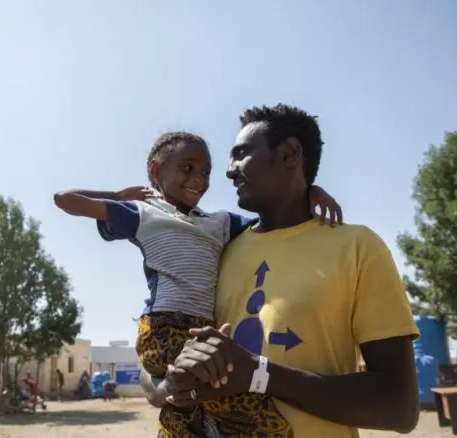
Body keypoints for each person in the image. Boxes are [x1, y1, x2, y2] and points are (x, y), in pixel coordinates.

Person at [140, 104, 420, 437]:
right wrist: (167, 383)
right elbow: (157, 351)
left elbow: (399, 407)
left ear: (290, 154)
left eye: (242, 154)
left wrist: (258, 374)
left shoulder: (357, 247)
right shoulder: (220, 246)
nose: (229, 171)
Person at [54, 131, 341, 436]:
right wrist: (117, 196)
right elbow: (65, 200)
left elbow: (274, 219)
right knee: (210, 387)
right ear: (155, 171)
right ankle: (172, 403)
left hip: (204, 330)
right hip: (164, 330)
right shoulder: (143, 214)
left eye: (205, 172)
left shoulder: (219, 223)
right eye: (187, 167)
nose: (198, 179)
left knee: (243, 409)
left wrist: (309, 192)